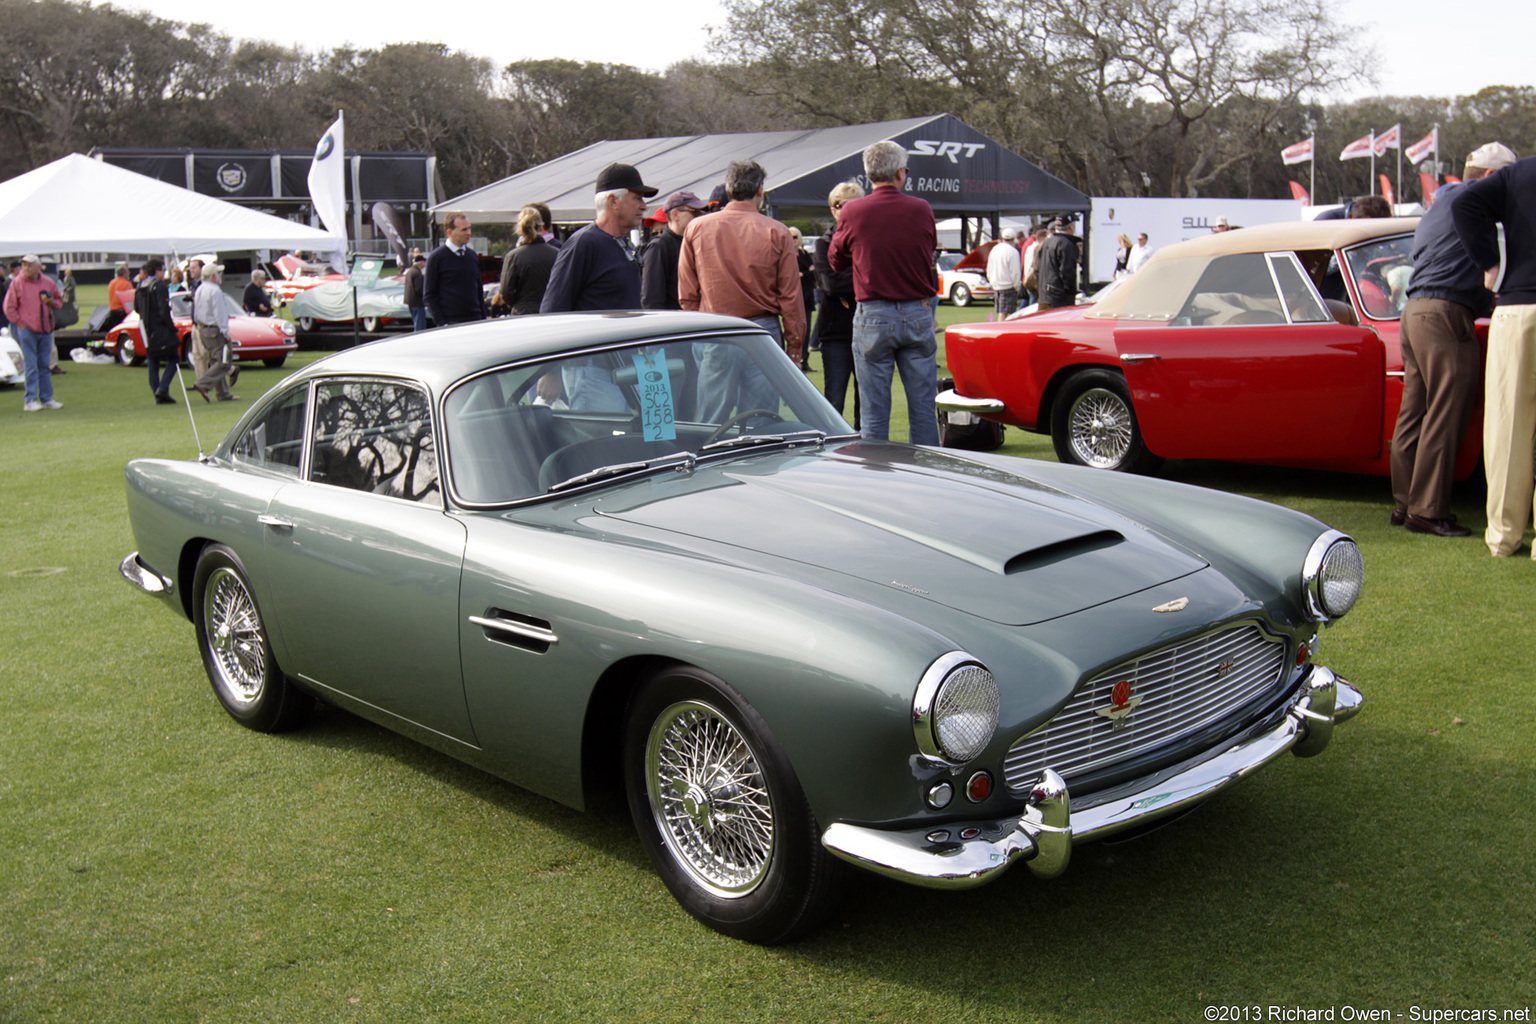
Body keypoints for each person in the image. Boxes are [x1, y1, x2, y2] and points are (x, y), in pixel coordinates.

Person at [1388, 143, 1515, 537]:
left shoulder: (1439, 204)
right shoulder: (1472, 202)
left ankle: (1406, 502)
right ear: (1492, 177)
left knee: (1415, 411)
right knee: (1448, 411)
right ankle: (1428, 510)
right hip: (1446, 312)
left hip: (1416, 310)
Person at [1451, 145, 1536, 557]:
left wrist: (1490, 263)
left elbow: (1466, 201)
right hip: (1517, 301)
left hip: (1517, 307)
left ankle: (1503, 536)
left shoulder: (1517, 174)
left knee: (1507, 426)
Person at [828, 141, 940, 444]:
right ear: (900, 173)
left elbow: (835, 259)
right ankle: (928, 477)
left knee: (875, 413)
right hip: (917, 310)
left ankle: (878, 479)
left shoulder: (853, 211)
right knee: (923, 409)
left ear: (868, 174)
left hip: (874, 313)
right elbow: (928, 250)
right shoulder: (921, 208)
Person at [678, 159, 805, 422]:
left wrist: (700, 328)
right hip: (761, 331)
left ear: (729, 187)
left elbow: (687, 293)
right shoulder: (777, 231)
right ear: (760, 190)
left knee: (712, 421)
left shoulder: (698, 228)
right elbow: (790, 298)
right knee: (762, 421)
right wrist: (794, 347)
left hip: (716, 327)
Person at [542, 162, 658, 409]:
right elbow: (553, 310)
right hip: (592, 370)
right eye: (636, 198)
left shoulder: (621, 244)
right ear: (613, 202)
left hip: (630, 367)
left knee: (643, 444)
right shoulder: (584, 244)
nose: (644, 206)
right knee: (601, 445)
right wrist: (549, 371)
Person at [814, 181, 863, 427]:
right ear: (833, 210)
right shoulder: (824, 243)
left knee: (866, 399)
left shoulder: (869, 240)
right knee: (834, 398)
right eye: (842, 206)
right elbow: (830, 284)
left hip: (866, 328)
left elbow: (877, 275)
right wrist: (862, 279)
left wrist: (849, 281)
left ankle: (868, 455)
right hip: (836, 332)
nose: (848, 211)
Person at [3, 254, 64, 411]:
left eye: (30, 265)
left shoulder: (47, 282)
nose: (26, 268)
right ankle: (30, 399)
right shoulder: (17, 283)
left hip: (45, 328)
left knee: (44, 365)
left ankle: (46, 398)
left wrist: (51, 302)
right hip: (27, 329)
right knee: (31, 365)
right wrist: (20, 323)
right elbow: (9, 307)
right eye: (24, 265)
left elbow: (59, 301)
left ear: (38, 267)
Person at [641, 190, 705, 311]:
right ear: (675, 214)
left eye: (701, 212)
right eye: (694, 212)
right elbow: (651, 299)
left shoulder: (694, 242)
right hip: (674, 322)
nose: (699, 217)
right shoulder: (659, 247)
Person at [425, 212, 487, 326]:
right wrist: (442, 323)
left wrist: (483, 318)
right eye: (464, 230)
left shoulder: (472, 256)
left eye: (469, 228)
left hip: (476, 321)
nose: (469, 233)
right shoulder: (436, 258)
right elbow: (429, 295)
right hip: (451, 323)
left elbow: (478, 290)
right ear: (449, 232)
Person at [135, 258, 181, 404]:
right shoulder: (159, 286)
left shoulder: (141, 286)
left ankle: (158, 393)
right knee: (174, 358)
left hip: (146, 328)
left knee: (153, 360)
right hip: (160, 328)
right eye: (163, 270)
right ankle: (162, 388)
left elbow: (136, 308)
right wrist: (171, 328)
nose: (164, 273)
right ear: (157, 271)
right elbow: (163, 310)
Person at [499, 205, 560, 315]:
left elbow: (505, 292)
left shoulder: (514, 256)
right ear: (540, 226)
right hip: (550, 311)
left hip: (523, 311)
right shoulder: (556, 253)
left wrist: (517, 303)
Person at [190, 263, 238, 402]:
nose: (220, 276)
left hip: (203, 328)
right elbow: (220, 313)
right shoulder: (215, 290)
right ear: (213, 276)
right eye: (218, 273)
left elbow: (196, 311)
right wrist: (225, 331)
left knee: (214, 360)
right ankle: (203, 384)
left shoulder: (200, 288)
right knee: (224, 361)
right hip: (215, 329)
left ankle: (223, 393)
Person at [1036, 215, 1081, 311]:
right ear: (1071, 226)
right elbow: (1067, 271)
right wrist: (1071, 291)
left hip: (1045, 293)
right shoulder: (1066, 244)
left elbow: (1038, 268)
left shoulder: (1046, 242)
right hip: (1059, 296)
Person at [987, 228, 1022, 317]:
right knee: (1004, 313)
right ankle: (999, 330)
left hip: (996, 284)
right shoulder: (1013, 252)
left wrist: (991, 281)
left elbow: (989, 268)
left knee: (1001, 312)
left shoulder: (995, 249)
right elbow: (1015, 272)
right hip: (1008, 286)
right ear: (1014, 239)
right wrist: (1017, 286)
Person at [103, 263, 135, 332]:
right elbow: (131, 299)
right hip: (122, 311)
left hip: (112, 310)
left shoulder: (112, 283)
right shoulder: (127, 284)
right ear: (124, 274)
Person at [402, 253, 428, 330]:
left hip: (410, 301)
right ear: (421, 262)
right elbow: (419, 289)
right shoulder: (417, 273)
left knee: (416, 322)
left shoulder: (409, 271)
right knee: (419, 325)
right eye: (424, 261)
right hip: (417, 302)